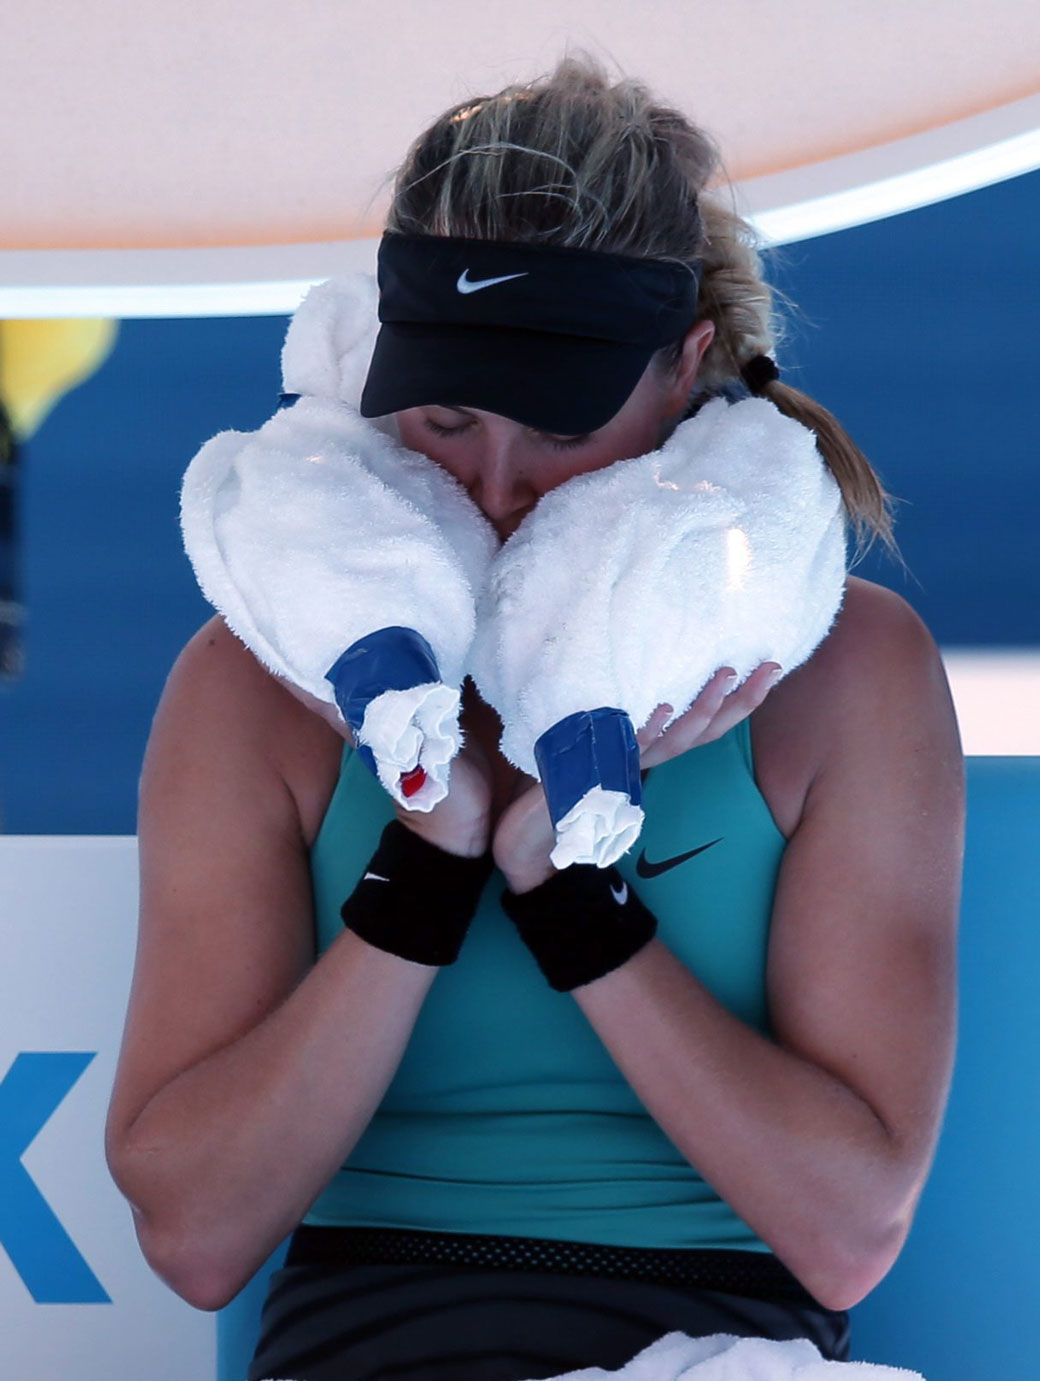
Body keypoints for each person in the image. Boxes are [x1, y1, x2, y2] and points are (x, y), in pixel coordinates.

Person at [105, 57, 964, 1381]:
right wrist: (427, 862)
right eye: (444, 418)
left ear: (686, 372)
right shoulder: (251, 684)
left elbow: (848, 1229)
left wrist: (571, 894)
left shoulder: (850, 675)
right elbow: (196, 1232)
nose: (495, 487)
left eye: (558, 433)